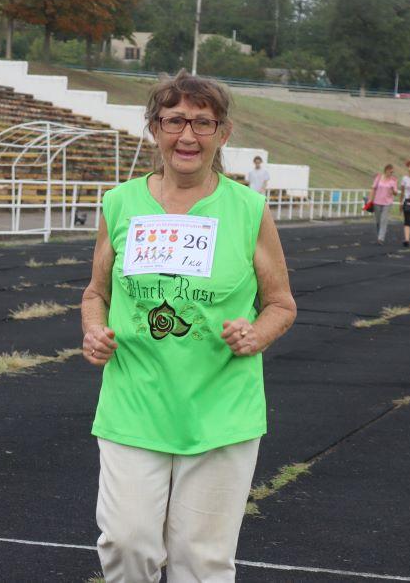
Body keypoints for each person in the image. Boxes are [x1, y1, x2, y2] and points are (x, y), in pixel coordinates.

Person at [81, 70, 296, 582]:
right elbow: (97, 293)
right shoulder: (121, 204)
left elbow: (281, 304)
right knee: (126, 543)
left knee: (201, 562)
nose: (188, 136)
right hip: (135, 402)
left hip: (221, 410)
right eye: (175, 120)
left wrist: (255, 334)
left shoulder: (248, 210)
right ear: (154, 128)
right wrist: (94, 331)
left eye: (203, 123)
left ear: (223, 135)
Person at [369, 164, 398, 245]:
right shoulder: (378, 178)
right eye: (390, 171)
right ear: (386, 170)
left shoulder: (393, 180)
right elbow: (373, 188)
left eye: (392, 172)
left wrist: (394, 191)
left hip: (387, 203)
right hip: (377, 202)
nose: (391, 173)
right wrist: (370, 200)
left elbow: (396, 192)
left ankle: (381, 238)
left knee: (384, 220)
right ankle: (379, 235)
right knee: (378, 221)